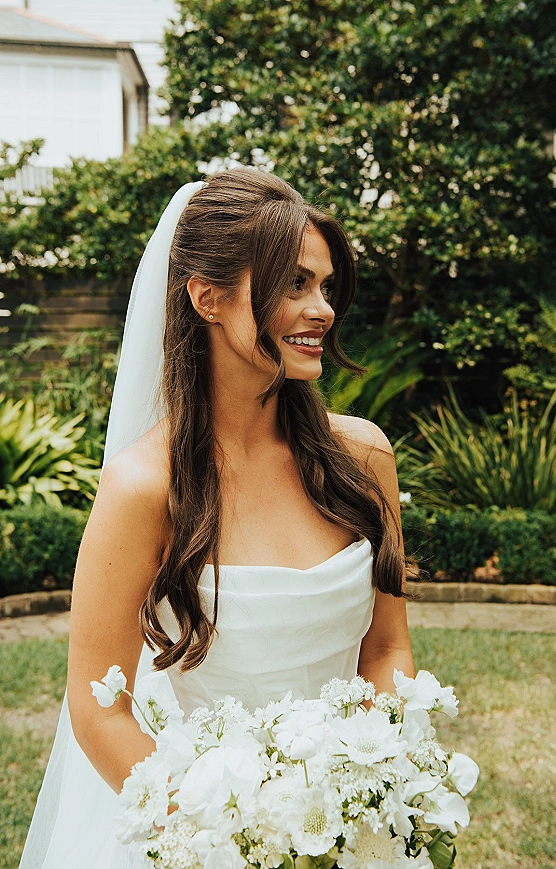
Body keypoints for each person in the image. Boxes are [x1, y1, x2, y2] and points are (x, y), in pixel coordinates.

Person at [19, 168, 414, 869]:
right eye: (294, 284)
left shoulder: (364, 460)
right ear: (207, 296)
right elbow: (96, 705)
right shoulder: (144, 488)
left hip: (351, 837)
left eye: (325, 286)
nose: (322, 308)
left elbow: (383, 652)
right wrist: (234, 839)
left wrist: (380, 784)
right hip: (205, 838)